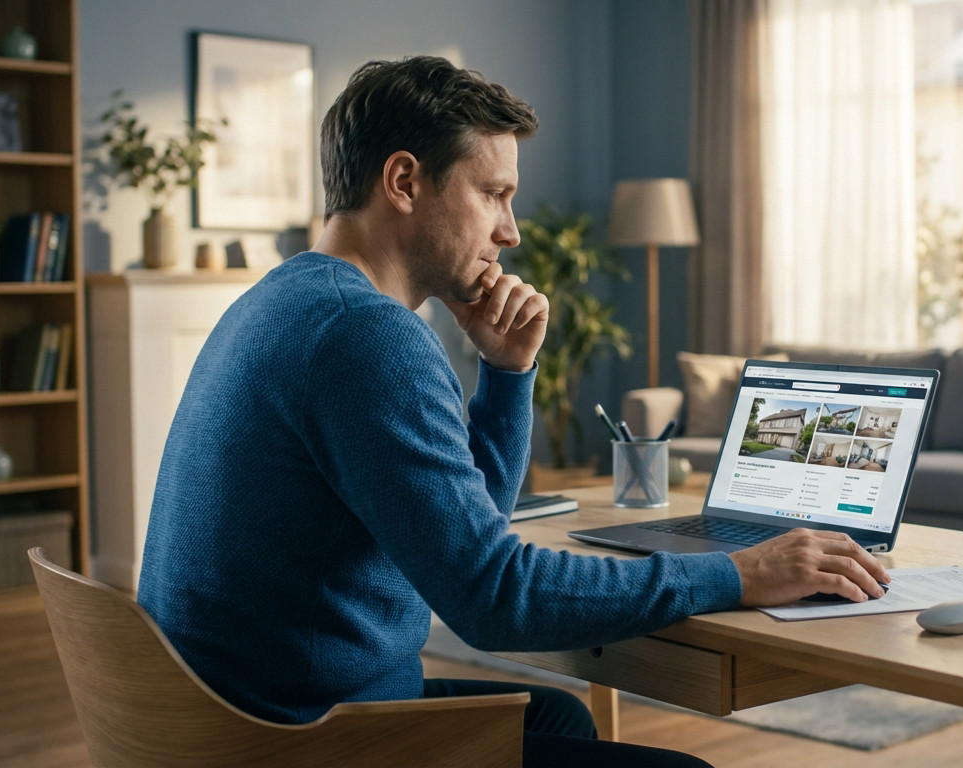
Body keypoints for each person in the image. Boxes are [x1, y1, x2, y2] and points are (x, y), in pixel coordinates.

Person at [136, 56, 889, 767]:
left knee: (556, 715)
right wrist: (738, 572)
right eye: (493, 193)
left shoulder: (288, 298)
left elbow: (476, 533)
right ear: (404, 180)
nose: (512, 230)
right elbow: (495, 600)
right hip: (303, 741)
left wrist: (507, 373)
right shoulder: (367, 334)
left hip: (230, 715)